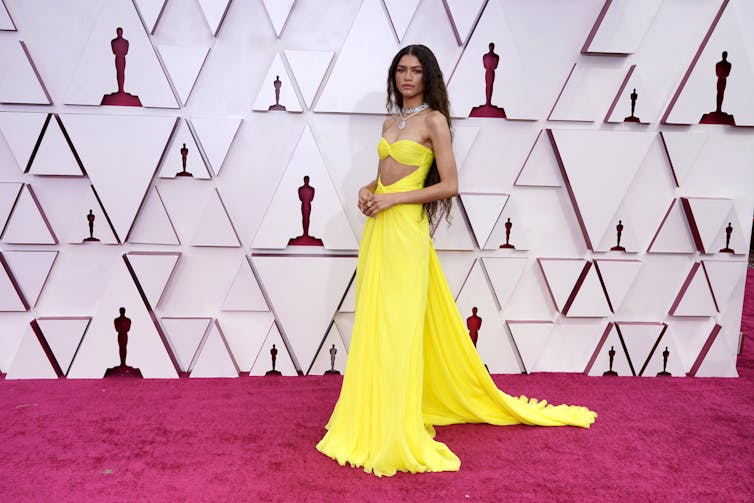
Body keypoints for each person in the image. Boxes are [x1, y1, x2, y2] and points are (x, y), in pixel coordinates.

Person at [316, 45, 596, 477]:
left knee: (399, 326)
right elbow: (385, 172)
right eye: (401, 70)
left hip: (406, 232)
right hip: (379, 233)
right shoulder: (392, 121)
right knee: (375, 321)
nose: (407, 77)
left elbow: (449, 184)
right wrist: (368, 190)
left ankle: (395, 424)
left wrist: (396, 201)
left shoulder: (434, 122)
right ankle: (372, 413)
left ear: (427, 77)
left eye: (415, 71)